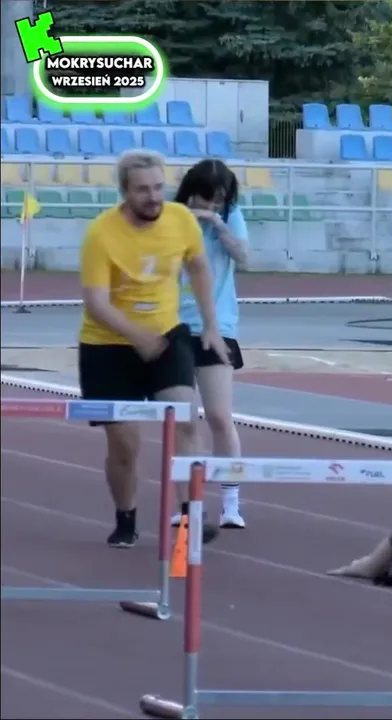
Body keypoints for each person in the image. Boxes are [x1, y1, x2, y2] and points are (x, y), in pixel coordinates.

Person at [78, 149, 228, 548]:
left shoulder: (181, 220)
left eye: (159, 187)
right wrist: (137, 336)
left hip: (166, 334)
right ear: (125, 191)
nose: (154, 197)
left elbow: (199, 267)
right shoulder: (101, 233)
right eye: (143, 190)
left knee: (185, 418)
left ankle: (190, 514)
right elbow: (96, 303)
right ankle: (125, 518)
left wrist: (211, 326)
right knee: (125, 445)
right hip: (108, 345)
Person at [172, 159, 250, 529]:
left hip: (217, 326)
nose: (214, 204)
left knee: (219, 416)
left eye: (220, 199)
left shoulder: (229, 216)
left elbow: (244, 257)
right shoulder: (170, 217)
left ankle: (231, 501)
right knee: (183, 420)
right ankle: (188, 504)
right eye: (209, 198)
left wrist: (217, 223)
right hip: (173, 327)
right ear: (192, 192)